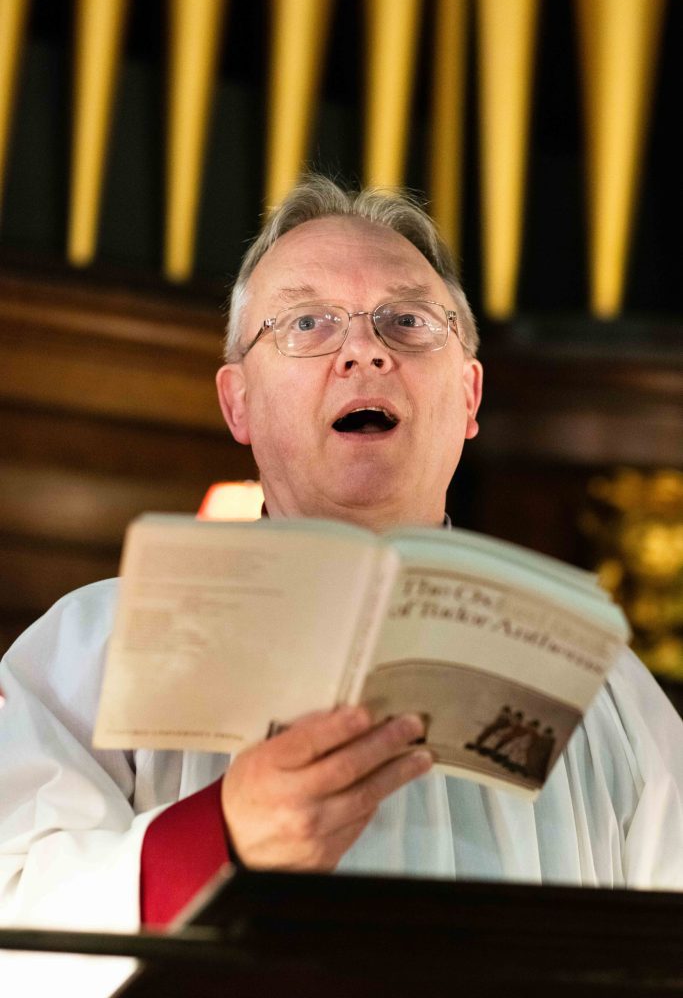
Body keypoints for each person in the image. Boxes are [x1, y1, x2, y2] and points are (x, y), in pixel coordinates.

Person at [1, 176, 683, 984]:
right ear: (239, 401)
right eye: (305, 323)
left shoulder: (601, 687)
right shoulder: (91, 647)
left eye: (407, 320)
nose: (366, 350)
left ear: (467, 396)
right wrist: (223, 835)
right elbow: (22, 921)